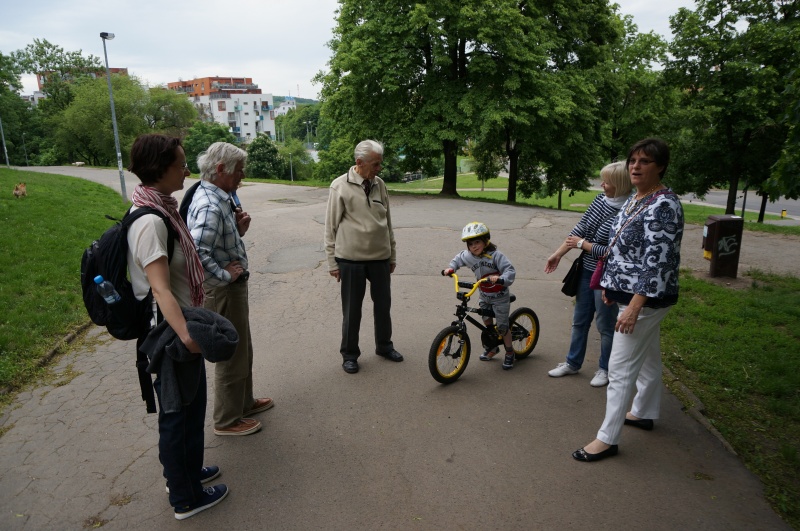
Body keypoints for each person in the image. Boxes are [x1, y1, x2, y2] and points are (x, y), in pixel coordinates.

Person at [126, 134, 228, 519]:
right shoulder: (151, 221)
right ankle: (185, 497)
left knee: (190, 408)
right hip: (171, 333)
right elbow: (160, 288)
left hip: (181, 324)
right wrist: (187, 336)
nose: (186, 170)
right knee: (177, 414)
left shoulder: (162, 209)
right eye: (180, 164)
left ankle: (187, 472)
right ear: (160, 168)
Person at [573, 138, 684, 462]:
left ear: (660, 167)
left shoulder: (664, 205)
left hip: (645, 300)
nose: (636, 166)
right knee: (648, 358)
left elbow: (657, 262)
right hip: (629, 292)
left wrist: (634, 306)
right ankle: (644, 412)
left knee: (620, 369)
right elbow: (622, 250)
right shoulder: (638, 198)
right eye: (633, 160)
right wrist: (611, 286)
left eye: (645, 161)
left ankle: (607, 439)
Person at [186, 142, 273, 436]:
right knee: (231, 353)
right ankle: (227, 419)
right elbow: (197, 253)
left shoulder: (217, 197)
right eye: (239, 169)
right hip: (223, 290)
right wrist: (224, 275)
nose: (243, 175)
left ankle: (243, 403)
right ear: (221, 169)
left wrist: (238, 230)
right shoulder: (210, 205)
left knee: (242, 348)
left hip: (230, 287)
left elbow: (213, 244)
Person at [544, 162, 631, 387]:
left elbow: (614, 252)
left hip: (608, 276)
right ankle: (572, 363)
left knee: (605, 325)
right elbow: (580, 229)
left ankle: (605, 369)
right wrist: (557, 254)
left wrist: (583, 244)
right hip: (586, 270)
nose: (602, 184)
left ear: (620, 184)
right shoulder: (600, 200)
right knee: (580, 320)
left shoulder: (629, 210)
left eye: (607, 182)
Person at [324, 139, 402, 374]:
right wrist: (332, 262)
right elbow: (330, 227)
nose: (379, 168)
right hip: (351, 260)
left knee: (383, 306)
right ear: (360, 162)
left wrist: (392, 255)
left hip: (380, 257)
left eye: (380, 163)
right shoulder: (339, 186)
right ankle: (349, 354)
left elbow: (388, 223)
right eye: (375, 164)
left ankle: (384, 346)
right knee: (352, 310)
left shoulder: (380, 184)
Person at [443, 222, 518, 370]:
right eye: (470, 244)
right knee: (486, 321)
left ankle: (510, 352)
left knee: (502, 327)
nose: (474, 246)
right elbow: (459, 258)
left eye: (477, 242)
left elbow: (510, 270)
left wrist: (501, 278)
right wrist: (451, 268)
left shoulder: (496, 256)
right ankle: (492, 347)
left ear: (486, 241)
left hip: (500, 296)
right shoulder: (469, 256)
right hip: (484, 294)